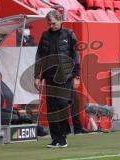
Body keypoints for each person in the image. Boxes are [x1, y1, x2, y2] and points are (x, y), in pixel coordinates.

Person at [34, 10, 80, 148]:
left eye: (53, 23)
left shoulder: (69, 34)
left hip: (65, 76)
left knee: (62, 103)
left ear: (60, 20)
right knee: (51, 109)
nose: (51, 26)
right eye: (49, 23)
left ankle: (64, 136)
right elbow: (39, 57)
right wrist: (37, 76)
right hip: (49, 76)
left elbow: (76, 55)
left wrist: (77, 76)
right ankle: (55, 139)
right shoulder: (45, 35)